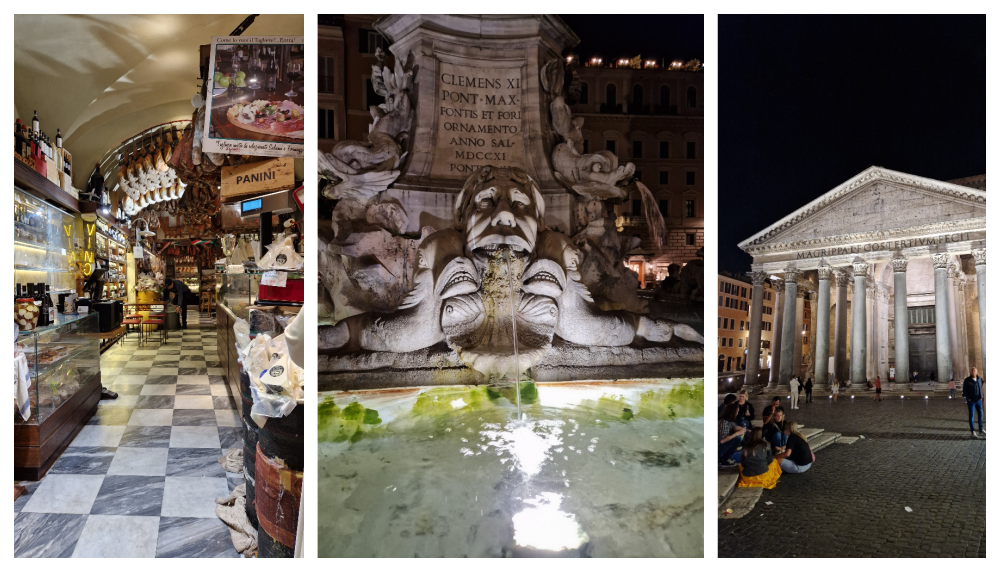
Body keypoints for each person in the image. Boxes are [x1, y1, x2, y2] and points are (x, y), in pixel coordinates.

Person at [962, 367, 986, 439]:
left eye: (974, 371)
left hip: (978, 400)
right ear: (970, 372)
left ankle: (981, 429)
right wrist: (968, 397)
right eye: (972, 371)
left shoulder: (979, 379)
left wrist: (981, 396)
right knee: (972, 415)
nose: (973, 372)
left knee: (981, 414)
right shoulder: (967, 380)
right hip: (971, 400)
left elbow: (980, 387)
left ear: (976, 372)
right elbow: (964, 390)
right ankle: (972, 431)